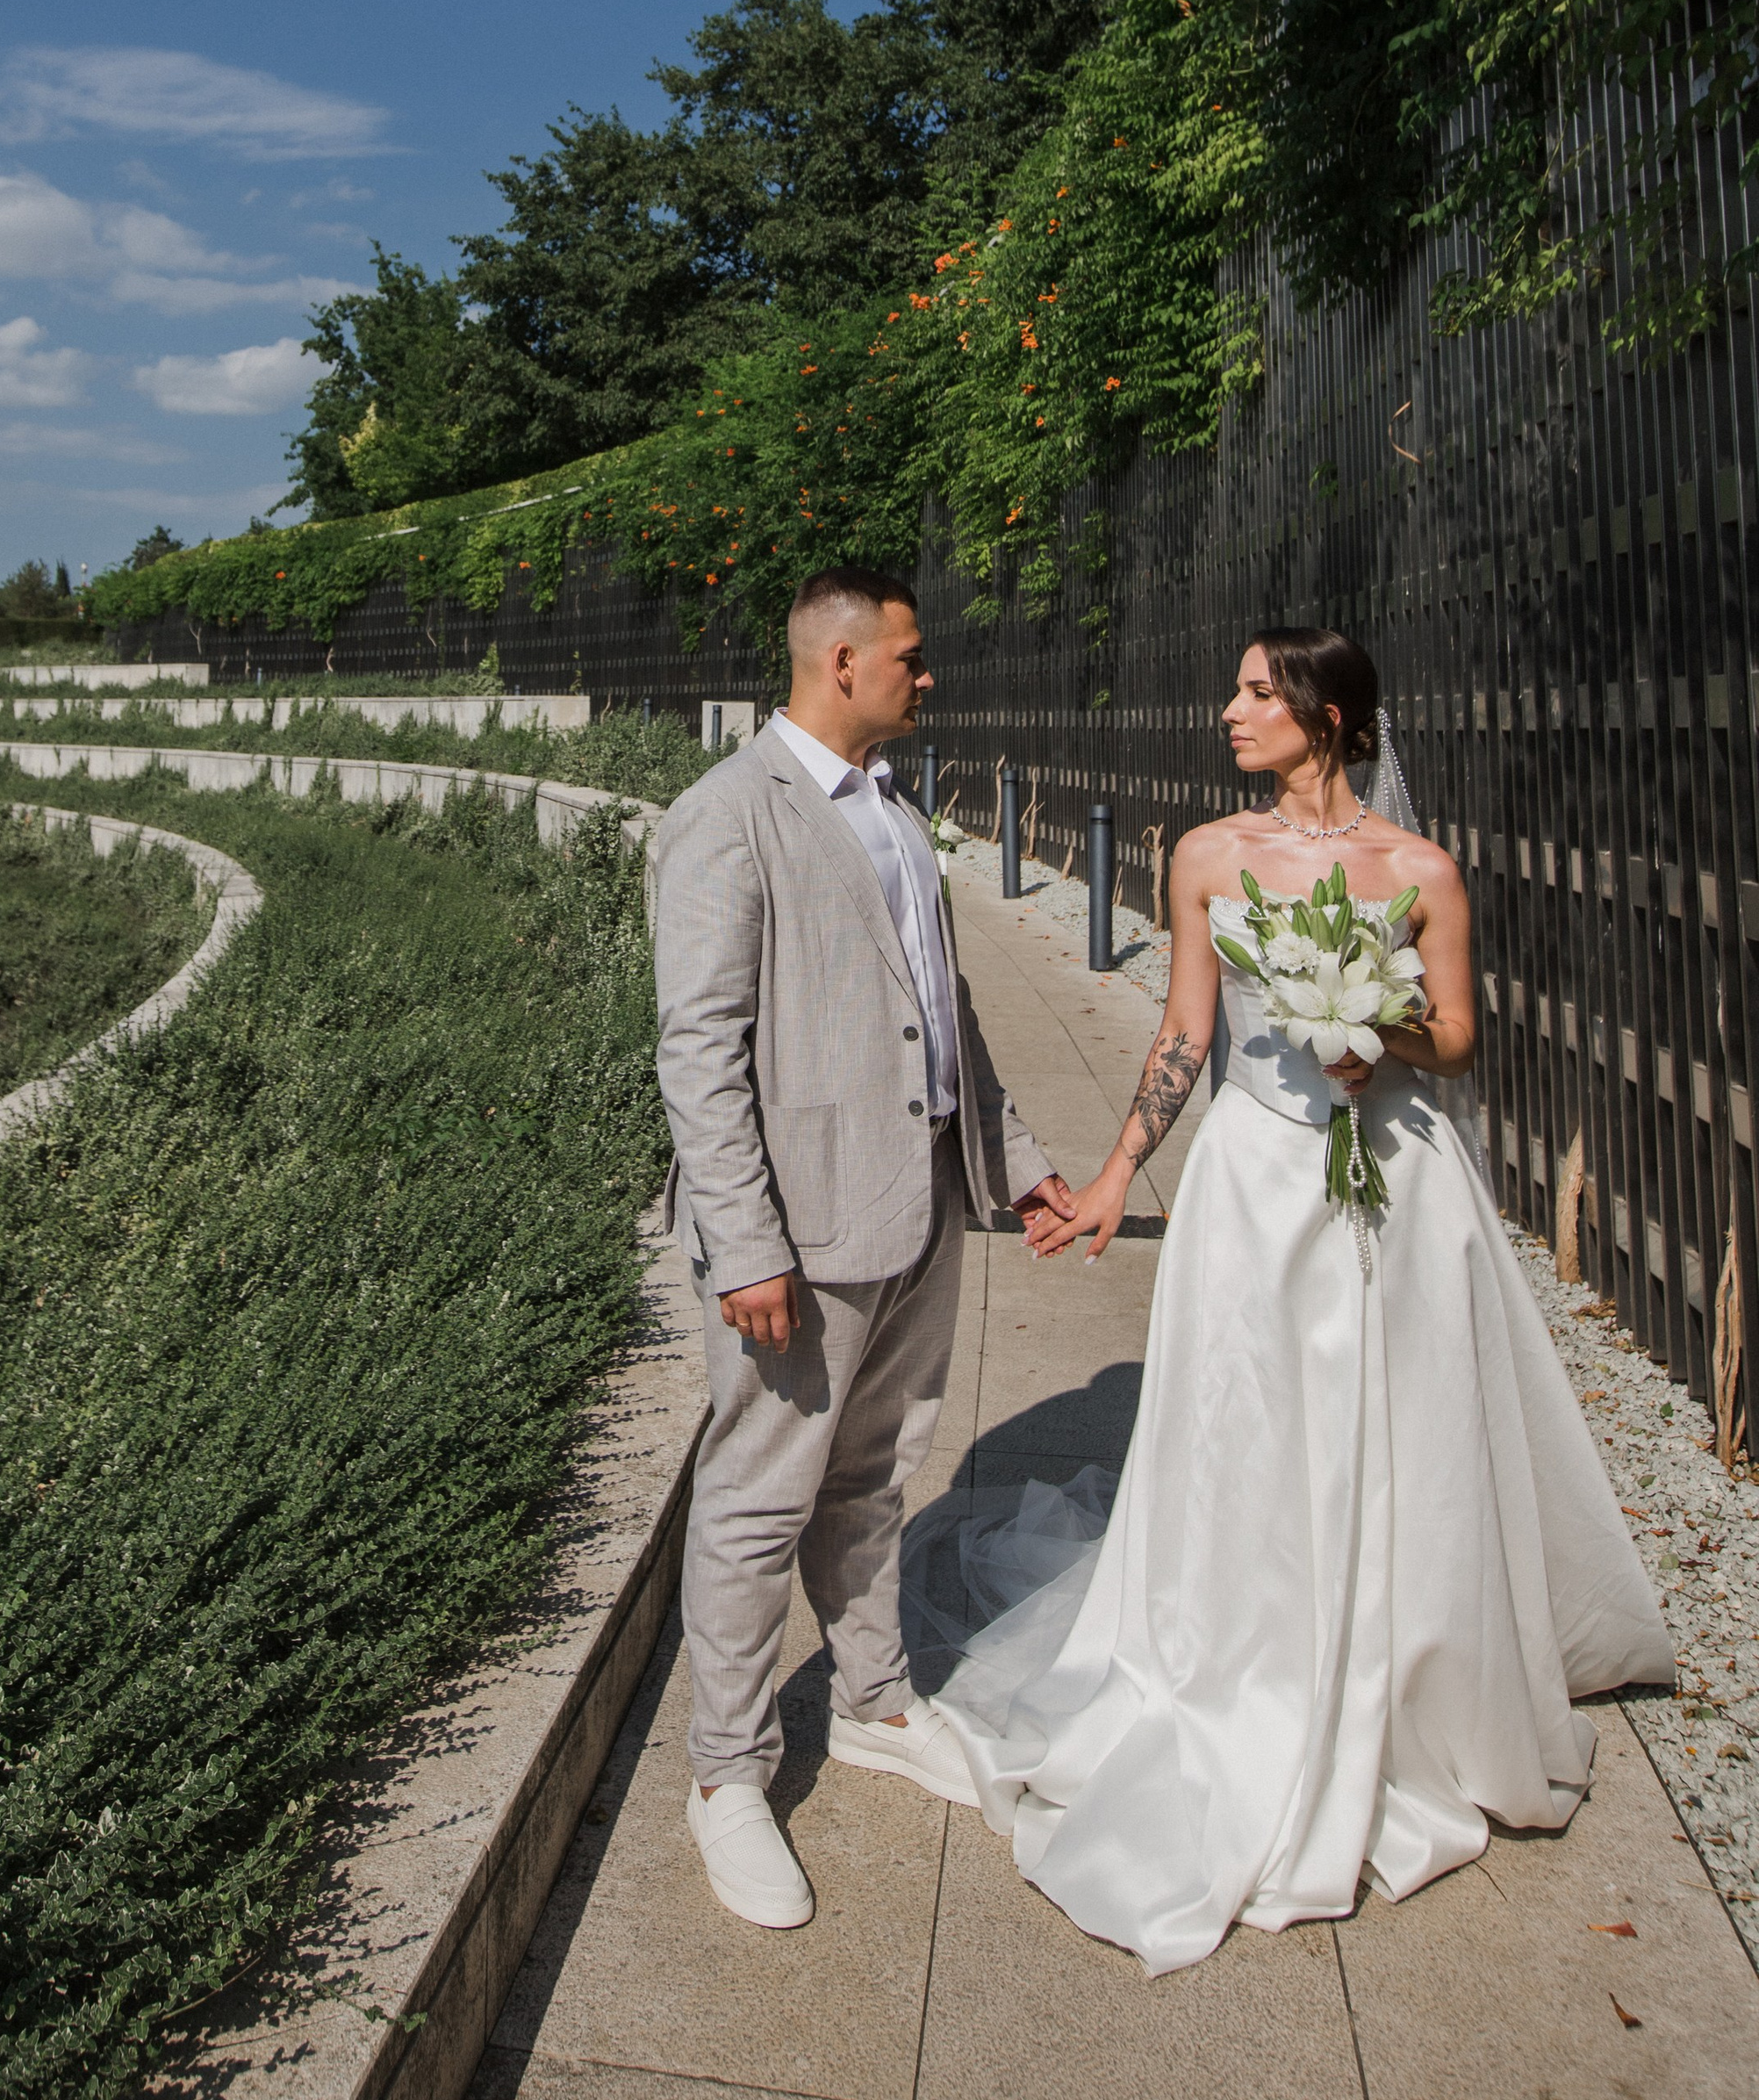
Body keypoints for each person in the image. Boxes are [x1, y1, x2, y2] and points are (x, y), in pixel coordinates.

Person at [902, 626, 1676, 1976]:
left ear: (1327, 716)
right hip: (1256, 1181)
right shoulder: (1208, 856)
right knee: (1251, 1420)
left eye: (1259, 692)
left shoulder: (1422, 871)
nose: (1231, 709)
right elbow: (1185, 1033)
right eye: (1238, 689)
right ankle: (1253, 1656)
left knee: (1406, 1427)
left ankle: (1411, 1670)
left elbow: (1458, 1038)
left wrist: (1381, 1031)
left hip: (1400, 1181)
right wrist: (1115, 1175)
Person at [651, 565, 1076, 1928]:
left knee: (881, 1475)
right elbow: (699, 1051)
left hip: (921, 1203)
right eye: (910, 655)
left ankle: (876, 1702)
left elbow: (945, 1014)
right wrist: (745, 1244)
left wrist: (1017, 1163)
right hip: (801, 1229)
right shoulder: (727, 816)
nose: (926, 674)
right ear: (842, 663)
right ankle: (725, 1776)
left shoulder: (893, 810)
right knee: (756, 1498)